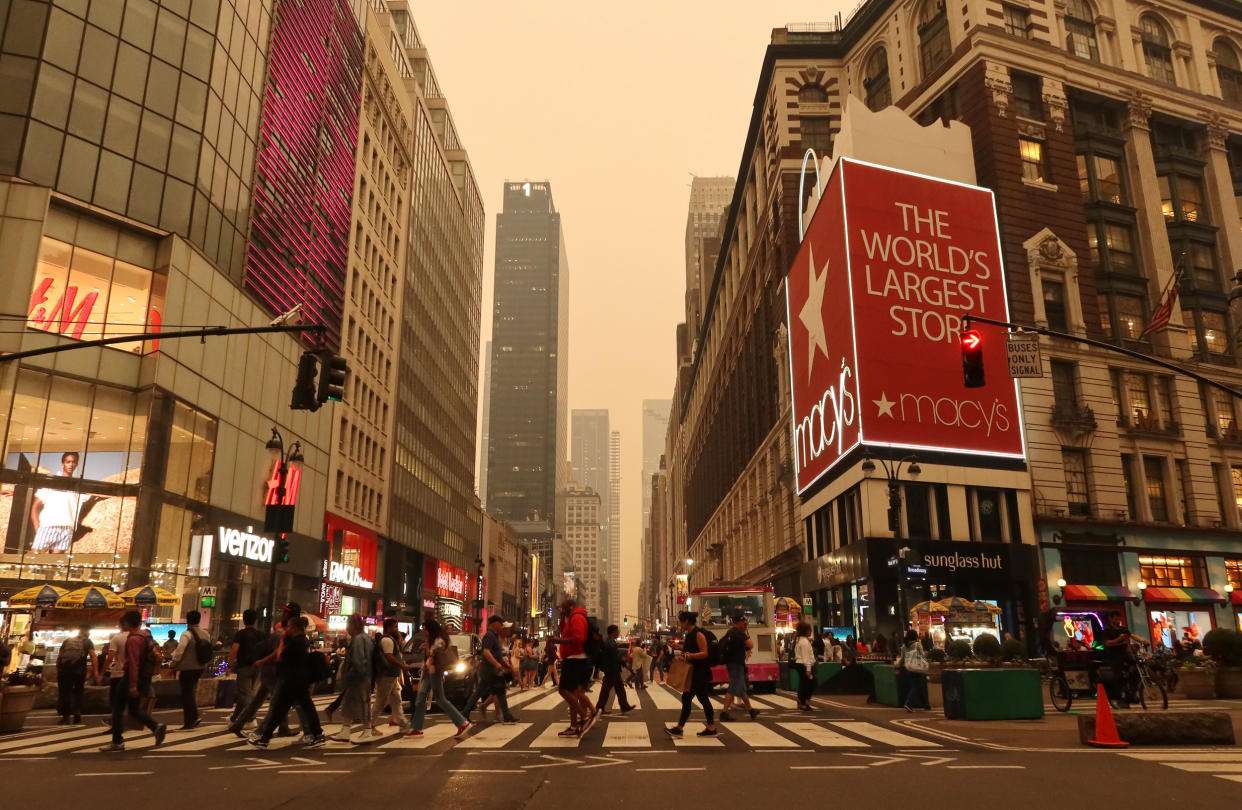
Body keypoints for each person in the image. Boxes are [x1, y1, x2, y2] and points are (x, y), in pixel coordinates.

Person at [248, 616, 325, 748]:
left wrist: (283, 639)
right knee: (290, 708)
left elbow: (279, 656)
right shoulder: (301, 641)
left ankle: (265, 738)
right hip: (296, 680)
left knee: (282, 709)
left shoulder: (297, 642)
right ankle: (317, 734)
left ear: (294, 628)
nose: (286, 629)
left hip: (293, 680)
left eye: (289, 627)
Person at [227, 602, 301, 738]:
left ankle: (238, 725)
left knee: (259, 700)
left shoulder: (284, 631)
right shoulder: (283, 632)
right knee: (278, 701)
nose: (284, 615)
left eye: (287, 612)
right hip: (273, 671)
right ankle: (264, 731)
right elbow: (276, 654)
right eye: (284, 612)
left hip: (269, 671)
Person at [98, 611, 166, 752]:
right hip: (144, 677)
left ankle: (117, 742)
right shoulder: (146, 635)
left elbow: (135, 662)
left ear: (127, 623)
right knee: (134, 709)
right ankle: (155, 727)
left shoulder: (133, 639)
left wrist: (133, 685)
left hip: (132, 677)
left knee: (117, 708)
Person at [407, 617, 471, 738]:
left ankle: (462, 722)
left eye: (425, 629)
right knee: (420, 697)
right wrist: (427, 648)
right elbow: (430, 656)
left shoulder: (439, 640)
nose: (424, 632)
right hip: (428, 671)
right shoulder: (431, 640)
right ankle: (416, 727)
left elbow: (438, 656)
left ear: (431, 629)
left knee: (440, 699)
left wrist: (432, 661)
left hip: (435, 671)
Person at [29, 451, 100, 553]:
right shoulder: (51, 482)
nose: (71, 464)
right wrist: (37, 527)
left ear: (76, 464)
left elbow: (95, 495)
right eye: (68, 462)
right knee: (34, 559)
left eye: (74, 462)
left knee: (55, 564)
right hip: (48, 526)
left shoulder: (77, 486)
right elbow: (35, 507)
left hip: (67, 529)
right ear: (63, 464)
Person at [664, 611, 716, 738]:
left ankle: (680, 728)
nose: (680, 624)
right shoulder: (690, 634)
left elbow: (705, 653)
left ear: (686, 621)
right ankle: (710, 727)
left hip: (699, 672)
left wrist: (690, 655)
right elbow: (693, 650)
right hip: (694, 672)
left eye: (681, 621)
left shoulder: (698, 634)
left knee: (689, 698)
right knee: (701, 699)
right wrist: (680, 648)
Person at [550, 598, 595, 737]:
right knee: (573, 695)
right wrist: (562, 620)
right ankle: (574, 726)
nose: (562, 611)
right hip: (573, 658)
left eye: (563, 609)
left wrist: (558, 641)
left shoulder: (577, 617)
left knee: (563, 690)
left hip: (575, 659)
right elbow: (565, 632)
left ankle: (585, 716)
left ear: (570, 607)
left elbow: (578, 638)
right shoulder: (571, 618)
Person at [463, 615, 519, 724]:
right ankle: (506, 716)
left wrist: (504, 664)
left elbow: (496, 654)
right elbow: (486, 652)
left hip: (492, 669)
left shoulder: (494, 636)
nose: (502, 625)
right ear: (495, 624)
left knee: (490, 692)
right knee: (498, 691)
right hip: (489, 670)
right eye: (500, 623)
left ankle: (464, 713)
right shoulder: (489, 635)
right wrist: (497, 665)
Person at [329, 614, 374, 743]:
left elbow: (358, 661)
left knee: (363, 703)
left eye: (348, 625)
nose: (347, 628)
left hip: (359, 678)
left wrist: (349, 676)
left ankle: (367, 731)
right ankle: (345, 730)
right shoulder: (366, 638)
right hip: (362, 676)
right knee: (348, 703)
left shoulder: (358, 639)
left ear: (353, 625)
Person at [168, 610, 209, 730]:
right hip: (200, 667)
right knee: (191, 693)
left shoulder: (186, 634)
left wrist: (173, 662)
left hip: (187, 668)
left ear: (187, 620)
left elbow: (180, 650)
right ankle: (195, 716)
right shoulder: (206, 634)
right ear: (199, 620)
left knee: (187, 694)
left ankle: (190, 721)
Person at [370, 617, 411, 733]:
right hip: (387, 675)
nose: (397, 629)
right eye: (395, 627)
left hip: (391, 675)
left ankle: (403, 723)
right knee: (381, 700)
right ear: (388, 628)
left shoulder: (390, 639)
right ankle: (370, 725)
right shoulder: (387, 640)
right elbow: (389, 657)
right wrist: (402, 666)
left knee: (396, 699)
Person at [719, 613, 758, 722]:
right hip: (736, 664)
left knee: (741, 689)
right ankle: (724, 712)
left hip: (732, 663)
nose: (744, 623)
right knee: (733, 687)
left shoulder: (730, 632)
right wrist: (746, 634)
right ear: (736, 623)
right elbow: (750, 645)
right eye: (743, 622)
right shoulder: (739, 633)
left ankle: (751, 710)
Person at [228, 609, 263, 727]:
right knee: (249, 694)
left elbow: (234, 650)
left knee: (244, 695)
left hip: (244, 667)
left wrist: (229, 666)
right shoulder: (260, 634)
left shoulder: (240, 634)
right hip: (257, 666)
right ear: (255, 620)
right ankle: (235, 718)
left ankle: (249, 718)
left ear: (244, 620)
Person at [56, 624, 97, 724]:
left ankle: (65, 717)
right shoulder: (87, 642)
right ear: (84, 631)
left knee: (65, 693)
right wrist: (94, 672)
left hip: (64, 672)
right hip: (79, 672)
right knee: (78, 693)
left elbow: (59, 657)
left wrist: (58, 671)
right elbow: (93, 657)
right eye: (88, 631)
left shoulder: (67, 641)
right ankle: (77, 713)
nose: (89, 633)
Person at [596, 624, 636, 715]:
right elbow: (616, 657)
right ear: (613, 632)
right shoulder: (609, 643)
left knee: (619, 689)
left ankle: (624, 706)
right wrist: (625, 664)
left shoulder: (610, 641)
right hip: (611, 670)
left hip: (613, 669)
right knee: (607, 690)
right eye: (617, 631)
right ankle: (599, 708)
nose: (618, 633)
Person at [1102, 610, 1135, 705]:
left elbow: (1132, 635)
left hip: (1125, 655)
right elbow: (1107, 643)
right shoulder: (1107, 630)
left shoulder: (1123, 629)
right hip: (1114, 657)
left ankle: (1132, 693)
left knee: (1136, 670)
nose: (1118, 621)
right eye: (1116, 619)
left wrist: (1144, 641)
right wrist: (1118, 640)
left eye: (1119, 619)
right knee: (1119, 676)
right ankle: (1119, 697)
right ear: (1110, 619)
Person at [896, 629, 931, 711]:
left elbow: (902, 659)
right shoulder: (917, 644)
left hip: (909, 668)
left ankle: (926, 704)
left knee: (919, 685)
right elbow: (922, 655)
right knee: (917, 686)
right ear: (915, 636)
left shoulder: (904, 646)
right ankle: (908, 703)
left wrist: (898, 667)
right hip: (918, 668)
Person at [792, 622, 817, 712]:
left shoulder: (799, 640)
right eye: (809, 630)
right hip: (804, 665)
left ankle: (802, 701)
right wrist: (808, 669)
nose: (810, 631)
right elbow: (806, 657)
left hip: (800, 664)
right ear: (805, 631)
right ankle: (804, 703)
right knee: (811, 683)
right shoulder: (804, 642)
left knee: (804, 683)